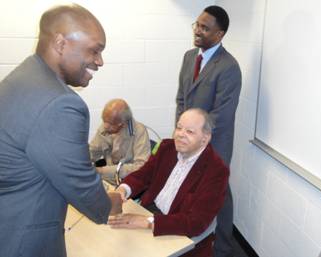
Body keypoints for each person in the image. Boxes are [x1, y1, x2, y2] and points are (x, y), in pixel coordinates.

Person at [0, 4, 118, 257]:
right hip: (24, 239)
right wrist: (111, 204)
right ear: (61, 44)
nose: (100, 61)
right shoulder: (61, 103)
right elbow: (80, 184)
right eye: (95, 50)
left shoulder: (21, 76)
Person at [108, 108, 229, 257]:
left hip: (178, 232)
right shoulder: (167, 148)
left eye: (189, 132)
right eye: (179, 127)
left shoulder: (216, 170)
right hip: (149, 212)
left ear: (205, 138)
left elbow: (196, 222)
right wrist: (123, 190)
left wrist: (148, 222)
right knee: (114, 243)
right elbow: (143, 175)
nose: (180, 134)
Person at [175, 5, 242, 257]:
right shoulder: (189, 57)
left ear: (220, 34)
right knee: (191, 187)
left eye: (205, 28)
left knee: (220, 194)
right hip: (191, 139)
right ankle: (192, 237)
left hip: (215, 143)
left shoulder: (229, 67)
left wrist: (193, 137)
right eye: (197, 25)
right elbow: (182, 99)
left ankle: (224, 247)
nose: (198, 31)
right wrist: (181, 132)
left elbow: (222, 115)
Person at [89, 98, 151, 186]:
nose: (105, 126)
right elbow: (93, 151)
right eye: (104, 120)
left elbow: (141, 167)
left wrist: (102, 171)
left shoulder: (139, 131)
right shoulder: (105, 126)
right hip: (108, 178)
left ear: (123, 124)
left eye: (110, 124)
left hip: (128, 181)